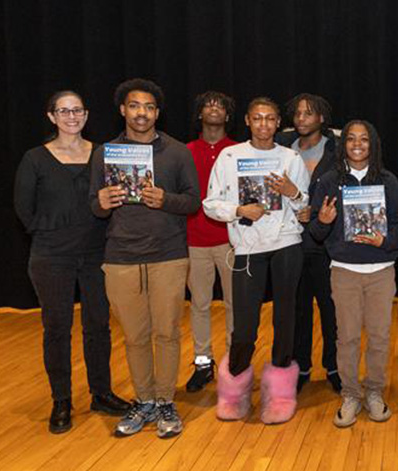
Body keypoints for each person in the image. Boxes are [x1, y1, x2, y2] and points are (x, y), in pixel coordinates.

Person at [14, 91, 131, 434]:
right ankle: (61, 400)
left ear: (86, 114)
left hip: (96, 253)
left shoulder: (103, 154)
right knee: (57, 329)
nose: (71, 116)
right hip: (51, 257)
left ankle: (101, 393)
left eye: (77, 110)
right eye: (63, 111)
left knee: (98, 326)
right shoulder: (34, 158)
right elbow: (24, 209)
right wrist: (53, 232)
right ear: (51, 117)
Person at [89, 78, 200, 438]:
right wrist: (101, 203)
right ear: (123, 110)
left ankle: (166, 400)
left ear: (157, 112)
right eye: (135, 106)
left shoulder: (177, 152)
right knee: (135, 336)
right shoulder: (105, 153)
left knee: (166, 332)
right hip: (120, 256)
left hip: (167, 255)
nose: (142, 112)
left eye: (149, 107)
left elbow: (192, 201)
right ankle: (145, 400)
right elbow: (95, 204)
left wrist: (164, 199)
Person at [203, 97, 309, 425]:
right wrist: (239, 211)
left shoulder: (291, 158)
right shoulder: (230, 156)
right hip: (247, 250)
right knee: (245, 326)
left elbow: (305, 209)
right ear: (247, 121)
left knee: (285, 319)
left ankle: (279, 390)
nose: (264, 124)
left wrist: (292, 192)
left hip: (287, 245)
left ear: (279, 123)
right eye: (258, 118)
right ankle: (235, 386)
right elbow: (210, 203)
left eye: (270, 118)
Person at [309, 120, 398, 428]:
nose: (357, 144)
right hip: (344, 271)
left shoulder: (388, 181)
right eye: (351, 139)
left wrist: (385, 241)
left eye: (364, 139)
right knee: (347, 338)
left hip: (381, 271)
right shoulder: (328, 181)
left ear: (373, 144)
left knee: (379, 337)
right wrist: (323, 221)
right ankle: (351, 394)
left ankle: (374, 392)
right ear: (344, 145)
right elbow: (315, 230)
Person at [277, 93, 341, 394]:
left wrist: (314, 212)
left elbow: (345, 192)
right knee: (297, 310)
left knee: (331, 309)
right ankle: (300, 367)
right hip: (288, 241)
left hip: (326, 242)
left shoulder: (337, 149)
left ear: (322, 118)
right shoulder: (280, 147)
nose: (302, 118)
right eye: (298, 113)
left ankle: (335, 367)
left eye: (309, 113)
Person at [184, 91, 238, 393]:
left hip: (231, 240)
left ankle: (232, 365)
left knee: (234, 305)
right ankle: (203, 362)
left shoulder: (239, 151)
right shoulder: (185, 151)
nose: (214, 108)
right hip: (195, 240)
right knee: (200, 305)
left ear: (228, 116)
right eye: (208, 105)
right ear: (200, 114)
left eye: (221, 105)